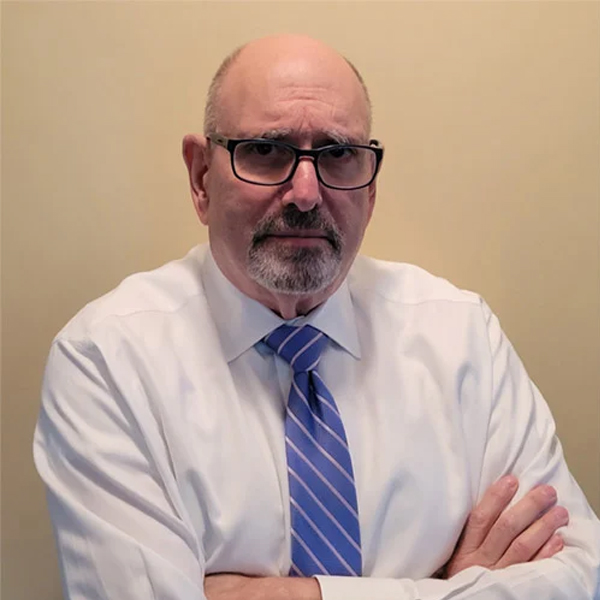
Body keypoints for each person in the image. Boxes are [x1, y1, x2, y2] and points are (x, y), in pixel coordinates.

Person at [34, 34, 600, 600]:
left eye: (338, 155)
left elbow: (583, 574)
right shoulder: (106, 361)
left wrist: (295, 595)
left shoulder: (463, 338)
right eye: (265, 150)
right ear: (201, 176)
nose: (305, 193)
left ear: (370, 188)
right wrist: (448, 588)